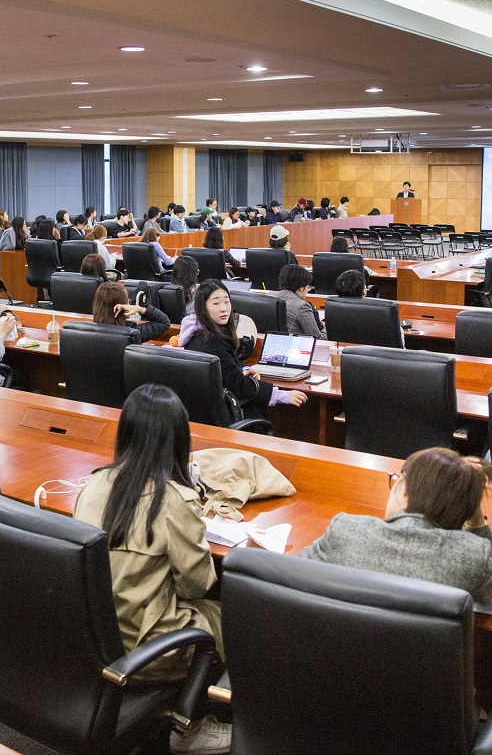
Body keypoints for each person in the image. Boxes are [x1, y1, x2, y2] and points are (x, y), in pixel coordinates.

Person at [72, 384, 231, 753]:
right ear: (178, 440)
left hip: (95, 641)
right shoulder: (173, 500)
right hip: (147, 650)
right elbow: (197, 586)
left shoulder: (93, 484)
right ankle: (189, 726)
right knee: (233, 616)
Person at [300, 447, 492, 605]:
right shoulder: (471, 556)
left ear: (404, 489)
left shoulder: (346, 530)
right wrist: (476, 518)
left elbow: (296, 570)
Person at [181, 280, 307, 418]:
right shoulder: (213, 341)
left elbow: (225, 370)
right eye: (216, 303)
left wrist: (242, 369)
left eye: (226, 302)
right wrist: (280, 395)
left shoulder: (196, 334)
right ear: (202, 308)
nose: (224, 308)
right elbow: (239, 387)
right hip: (229, 414)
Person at [93, 281, 170, 342]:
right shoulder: (133, 332)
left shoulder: (88, 329)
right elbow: (164, 322)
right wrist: (140, 309)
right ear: (124, 306)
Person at [274, 264, 323, 337]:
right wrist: (325, 328)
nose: (308, 290)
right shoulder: (302, 306)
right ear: (301, 288)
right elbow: (317, 338)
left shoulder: (269, 296)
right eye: (308, 287)